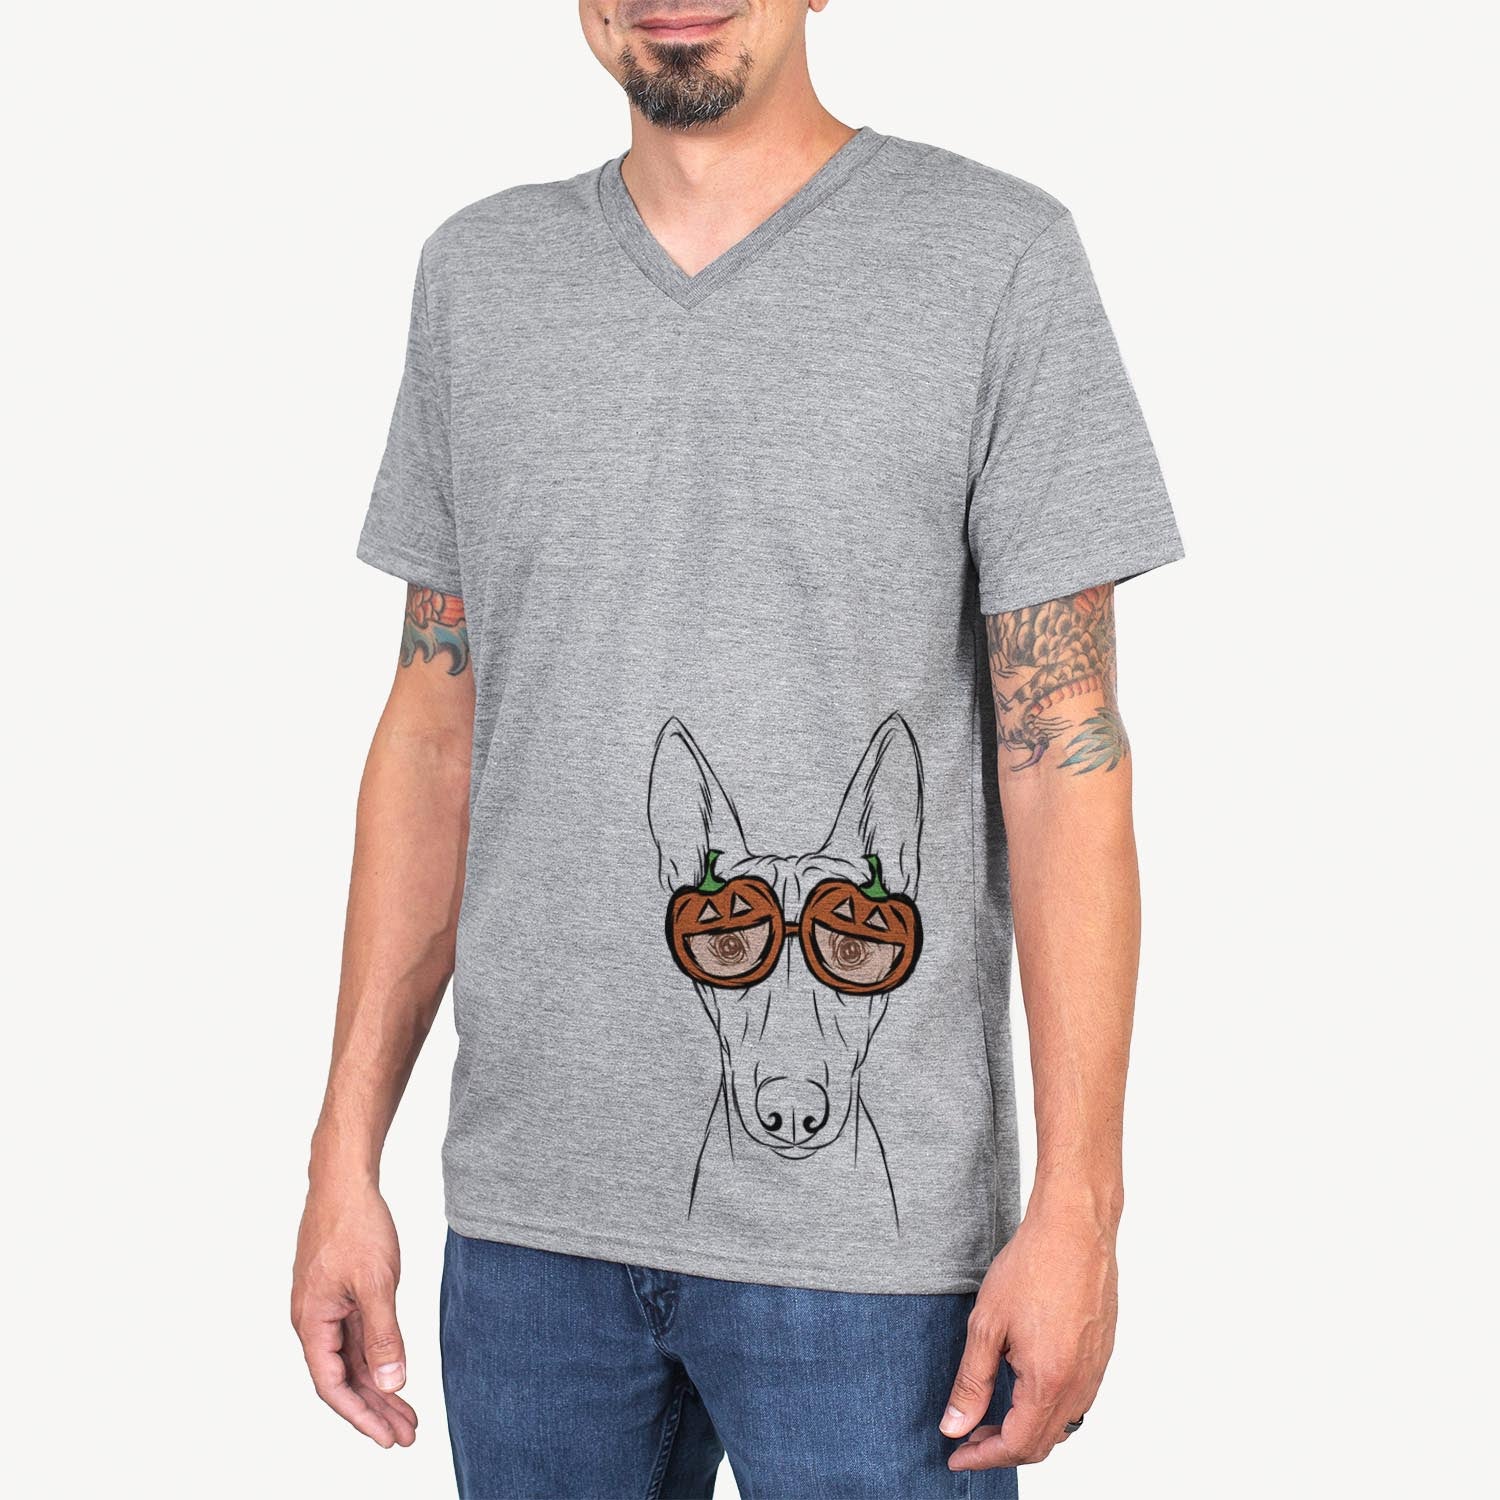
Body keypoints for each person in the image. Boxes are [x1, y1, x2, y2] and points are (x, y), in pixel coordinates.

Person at [291, 2, 1183, 1494]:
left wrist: (1082, 1207)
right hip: (528, 1232)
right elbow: (436, 736)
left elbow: (1065, 754)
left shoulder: (995, 261)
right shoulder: (480, 278)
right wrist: (342, 1156)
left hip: (873, 1261)